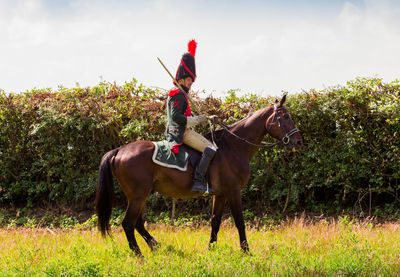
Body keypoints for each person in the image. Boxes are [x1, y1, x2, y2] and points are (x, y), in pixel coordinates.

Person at [165, 39, 217, 194]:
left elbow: (187, 115)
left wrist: (205, 118)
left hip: (186, 130)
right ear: (180, 79)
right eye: (188, 80)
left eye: (191, 81)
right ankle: (198, 181)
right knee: (211, 148)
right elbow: (176, 117)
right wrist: (197, 120)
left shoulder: (181, 95)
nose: (190, 83)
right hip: (181, 133)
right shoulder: (177, 94)